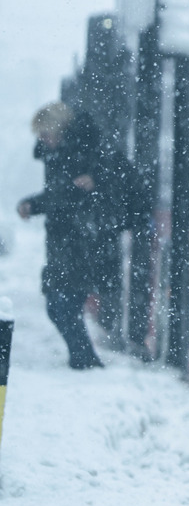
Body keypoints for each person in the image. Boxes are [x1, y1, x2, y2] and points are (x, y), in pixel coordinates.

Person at [15, 102, 121, 369]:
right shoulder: (58, 154)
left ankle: (84, 361)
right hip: (64, 239)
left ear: (60, 129)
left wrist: (95, 181)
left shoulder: (85, 151)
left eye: (45, 133)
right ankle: (84, 361)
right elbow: (60, 194)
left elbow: (107, 184)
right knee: (60, 305)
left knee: (63, 304)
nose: (43, 139)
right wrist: (33, 205)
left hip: (82, 240)